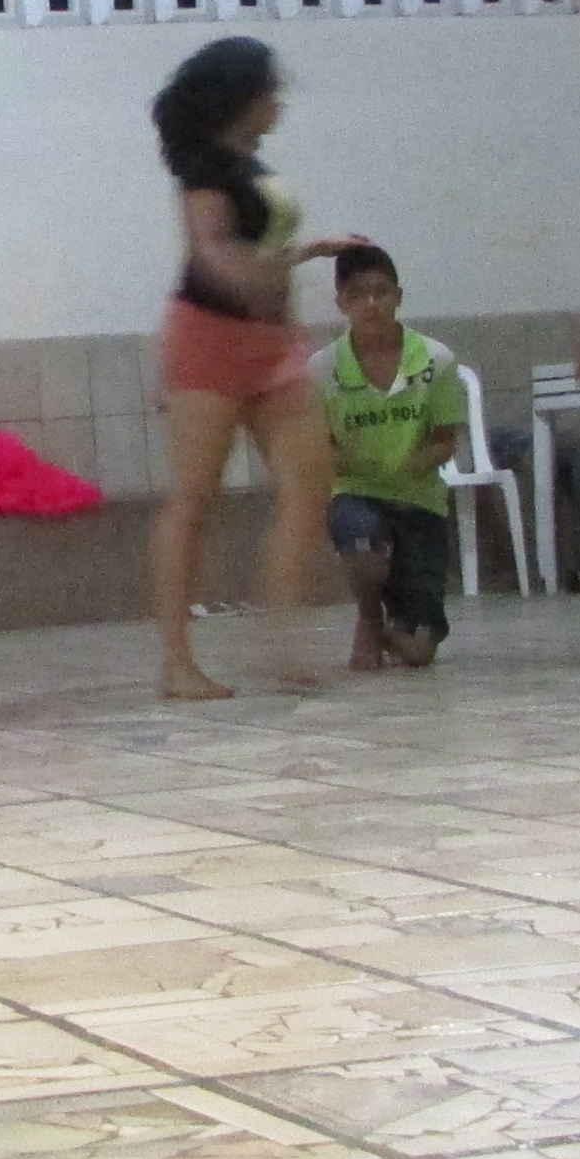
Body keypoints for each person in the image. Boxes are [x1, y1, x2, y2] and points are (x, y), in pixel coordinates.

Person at [149, 37, 365, 705]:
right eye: (271, 89)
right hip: (209, 338)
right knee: (195, 500)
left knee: (311, 480)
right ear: (242, 97)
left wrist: (308, 253)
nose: (280, 101)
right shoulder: (206, 168)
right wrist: (252, 279)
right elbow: (210, 247)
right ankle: (177, 661)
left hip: (271, 343)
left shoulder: (250, 164)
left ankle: (280, 635)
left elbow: (257, 245)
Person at [317, 244, 462, 669]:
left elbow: (445, 441)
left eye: (381, 292)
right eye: (357, 294)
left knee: (419, 653)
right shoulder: (322, 369)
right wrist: (354, 466)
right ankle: (368, 616)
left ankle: (396, 627)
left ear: (398, 296)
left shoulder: (436, 360)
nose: (371, 304)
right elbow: (319, 447)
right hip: (356, 492)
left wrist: (409, 468)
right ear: (341, 303)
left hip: (419, 500)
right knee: (362, 541)